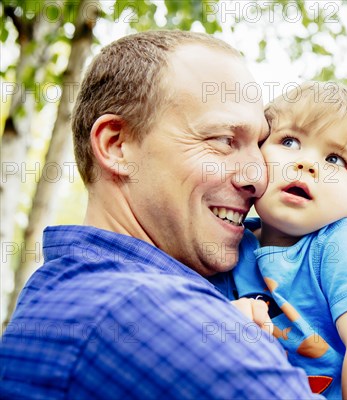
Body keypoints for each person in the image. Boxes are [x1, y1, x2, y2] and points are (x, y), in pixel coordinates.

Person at [0, 31, 319, 399]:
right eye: (223, 140)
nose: (259, 178)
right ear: (116, 145)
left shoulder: (63, 291)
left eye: (258, 145)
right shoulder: (151, 311)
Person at [227, 81, 347, 399]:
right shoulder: (231, 241)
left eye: (335, 160)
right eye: (289, 141)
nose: (306, 165)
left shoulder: (338, 243)